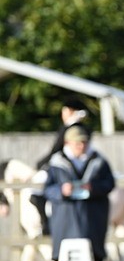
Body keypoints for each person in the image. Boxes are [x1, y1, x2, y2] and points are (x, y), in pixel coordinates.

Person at [42, 124, 115, 261]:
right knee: (66, 260)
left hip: (92, 218)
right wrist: (62, 191)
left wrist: (93, 188)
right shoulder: (56, 163)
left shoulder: (98, 161)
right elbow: (48, 189)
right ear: (67, 143)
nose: (81, 146)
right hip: (65, 218)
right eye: (77, 143)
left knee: (92, 257)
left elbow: (109, 184)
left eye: (84, 142)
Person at [31, 96, 90, 235]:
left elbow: (56, 149)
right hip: (60, 163)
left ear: (70, 111)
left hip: (61, 166)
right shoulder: (72, 126)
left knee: (34, 189)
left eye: (65, 112)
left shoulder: (75, 128)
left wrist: (40, 164)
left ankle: (45, 223)